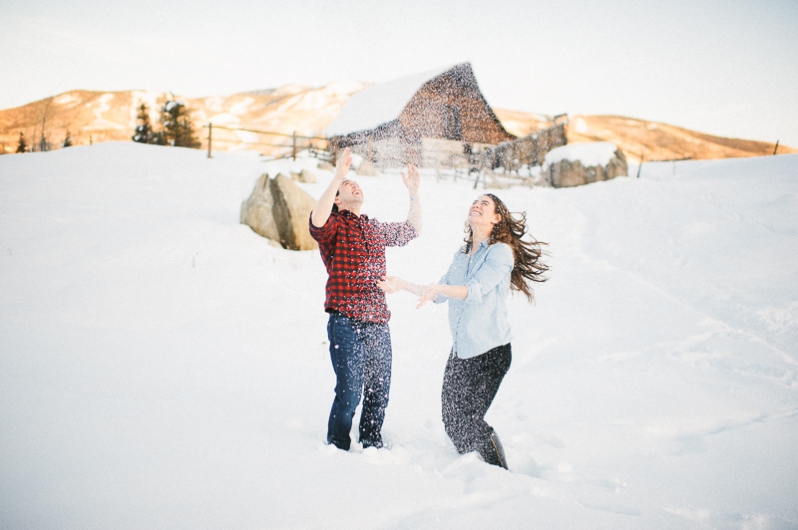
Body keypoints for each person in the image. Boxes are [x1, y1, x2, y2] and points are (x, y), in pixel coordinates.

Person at [378, 193, 547, 469]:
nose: (476, 205)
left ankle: (497, 471)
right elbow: (441, 291)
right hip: (462, 349)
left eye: (485, 204)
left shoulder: (501, 253)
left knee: (469, 420)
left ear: (496, 218)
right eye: (475, 201)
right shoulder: (462, 253)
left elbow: (474, 291)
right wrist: (403, 284)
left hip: (491, 352)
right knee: (452, 421)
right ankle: (473, 468)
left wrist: (440, 289)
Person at [309, 147, 422, 451]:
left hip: (377, 322)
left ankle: (372, 443)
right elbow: (317, 220)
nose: (354, 186)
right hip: (344, 321)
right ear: (337, 198)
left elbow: (412, 230)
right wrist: (337, 177)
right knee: (349, 391)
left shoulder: (373, 228)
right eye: (348, 186)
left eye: (356, 184)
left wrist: (413, 194)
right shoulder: (333, 226)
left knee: (379, 390)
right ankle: (337, 445)